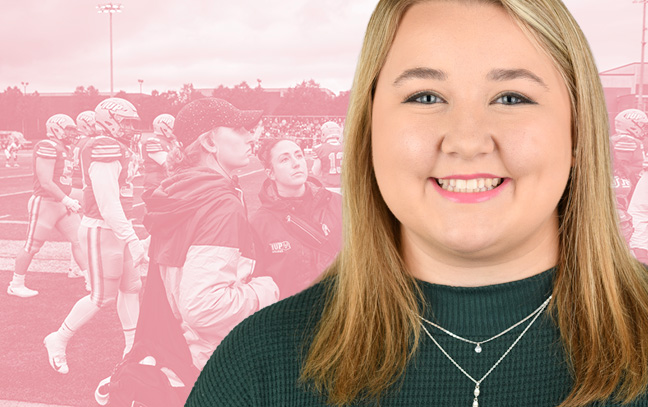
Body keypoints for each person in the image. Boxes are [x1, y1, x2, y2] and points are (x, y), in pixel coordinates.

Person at [186, 1, 648, 406]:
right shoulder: (258, 367)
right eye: (425, 96)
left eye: (512, 97)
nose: (467, 141)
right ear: (368, 132)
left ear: (577, 132)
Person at [142, 97, 279, 370]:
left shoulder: (185, 190)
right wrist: (267, 291)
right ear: (209, 143)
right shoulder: (218, 203)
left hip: (181, 351)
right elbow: (205, 307)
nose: (251, 137)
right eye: (239, 129)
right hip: (212, 355)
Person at [43, 98, 147, 374]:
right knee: (101, 296)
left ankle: (131, 348)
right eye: (124, 121)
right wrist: (133, 239)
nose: (129, 127)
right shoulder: (104, 146)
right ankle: (58, 339)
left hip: (114, 228)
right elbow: (107, 204)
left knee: (131, 288)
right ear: (108, 119)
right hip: (103, 228)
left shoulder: (112, 146)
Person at [7, 114, 88, 298]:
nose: (72, 133)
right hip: (45, 203)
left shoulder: (64, 148)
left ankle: (91, 280)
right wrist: (67, 200)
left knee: (79, 241)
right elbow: (45, 182)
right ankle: (16, 284)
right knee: (32, 246)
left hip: (61, 203)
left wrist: (66, 200)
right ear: (56, 128)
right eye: (68, 129)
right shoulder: (47, 146)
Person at [251, 138, 342, 299]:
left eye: (299, 156)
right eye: (285, 159)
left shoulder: (339, 204)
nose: (296, 163)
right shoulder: (259, 223)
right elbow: (258, 284)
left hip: (341, 312)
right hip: (294, 317)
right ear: (270, 173)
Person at [141, 113, 177, 196]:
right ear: (164, 129)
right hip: (155, 185)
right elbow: (169, 165)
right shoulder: (154, 142)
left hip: (165, 185)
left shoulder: (170, 143)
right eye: (173, 128)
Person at [311, 121, 343, 194]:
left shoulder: (319, 148)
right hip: (345, 187)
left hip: (328, 188)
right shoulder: (348, 147)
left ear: (324, 133)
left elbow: (316, 172)